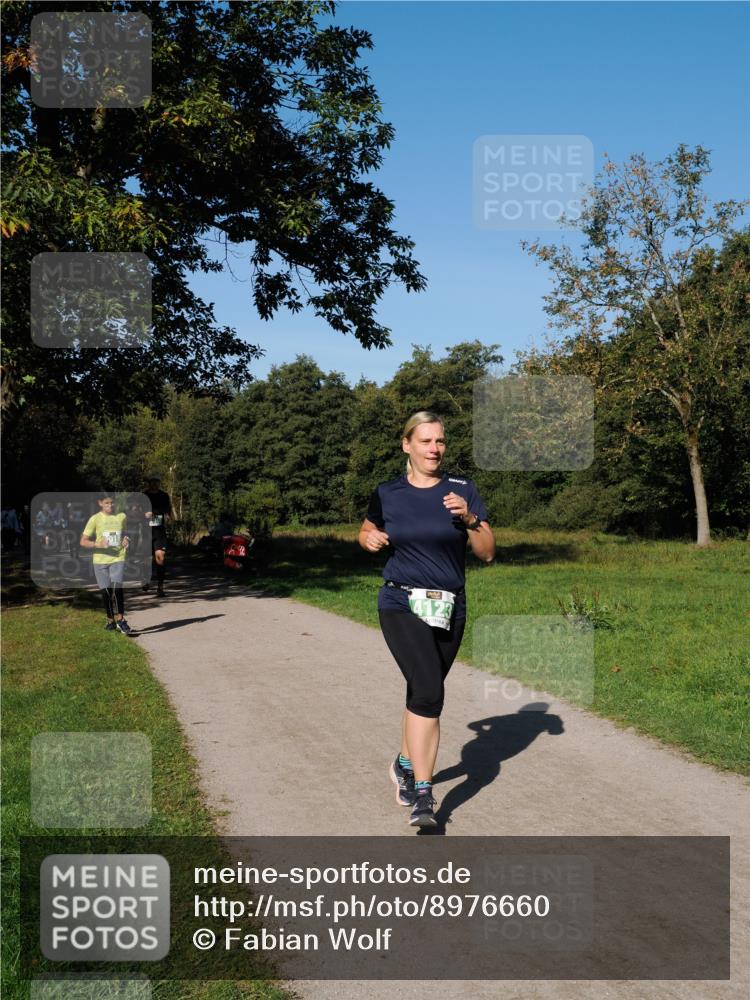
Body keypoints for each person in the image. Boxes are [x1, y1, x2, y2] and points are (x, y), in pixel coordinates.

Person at [358, 411, 496, 827]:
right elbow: (366, 530)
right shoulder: (388, 492)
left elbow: (487, 552)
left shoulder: (462, 489)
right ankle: (424, 794)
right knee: (430, 691)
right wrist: (369, 539)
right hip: (401, 602)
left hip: (450, 604)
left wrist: (470, 519)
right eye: (425, 441)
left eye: (440, 442)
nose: (434, 449)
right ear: (407, 445)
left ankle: (404, 761)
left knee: (422, 691)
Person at [80, 493, 133, 634]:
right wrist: (98, 544)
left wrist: (126, 539)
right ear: (100, 503)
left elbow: (126, 532)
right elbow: (83, 541)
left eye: (112, 503)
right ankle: (110, 621)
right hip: (100, 560)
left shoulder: (121, 516)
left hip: (118, 557)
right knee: (106, 592)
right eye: (107, 503)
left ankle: (121, 620)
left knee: (117, 589)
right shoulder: (95, 519)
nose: (111, 506)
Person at [143, 474, 173, 597]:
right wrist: (142, 514)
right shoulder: (143, 495)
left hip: (159, 531)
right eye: (152, 481)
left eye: (157, 482)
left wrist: (169, 517)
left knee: (160, 558)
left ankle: (160, 587)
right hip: (145, 530)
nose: (155, 484)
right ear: (149, 483)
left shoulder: (164, 495)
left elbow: (168, 509)